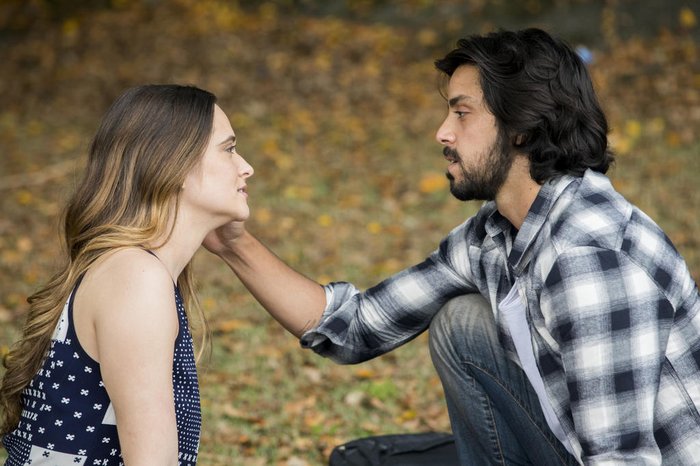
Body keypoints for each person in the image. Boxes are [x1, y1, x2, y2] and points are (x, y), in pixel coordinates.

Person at [203, 28, 700, 464]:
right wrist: (232, 244)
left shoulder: (587, 260)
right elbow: (353, 327)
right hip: (574, 446)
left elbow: (620, 459)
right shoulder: (496, 234)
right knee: (462, 323)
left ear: (523, 127)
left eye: (462, 114)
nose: (442, 132)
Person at [0, 84, 254, 465]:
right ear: (175, 165)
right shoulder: (137, 280)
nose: (246, 166)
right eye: (229, 149)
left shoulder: (127, 269)